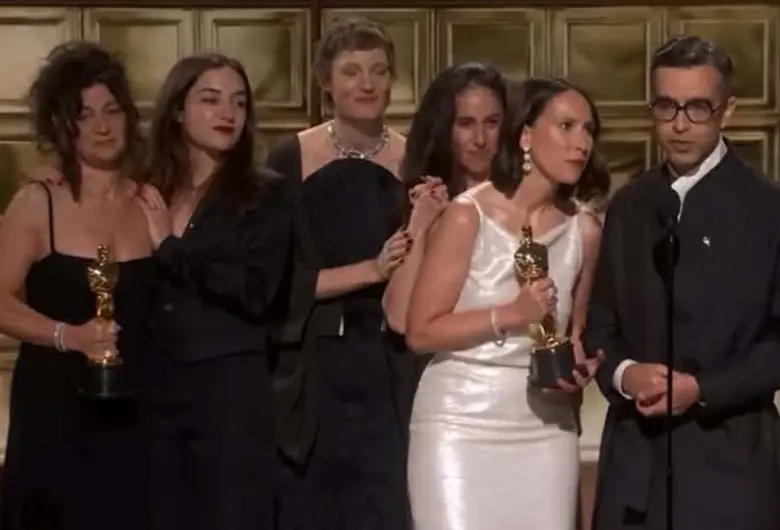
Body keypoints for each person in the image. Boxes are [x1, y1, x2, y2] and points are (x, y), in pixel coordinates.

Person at [585, 35, 780, 530]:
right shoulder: (629, 205)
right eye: (666, 106)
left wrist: (702, 389)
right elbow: (600, 326)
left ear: (727, 111)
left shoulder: (767, 208)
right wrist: (625, 374)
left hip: (733, 467)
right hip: (636, 469)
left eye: (697, 107)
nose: (679, 124)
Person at [405, 76, 609, 530]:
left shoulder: (585, 231)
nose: (581, 144)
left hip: (545, 428)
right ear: (525, 136)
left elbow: (572, 334)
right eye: (566, 126)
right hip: (458, 422)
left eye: (588, 130)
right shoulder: (468, 215)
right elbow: (421, 331)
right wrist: (510, 315)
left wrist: (577, 368)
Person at [266, 17, 414, 530]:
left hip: (391, 363)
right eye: (351, 71)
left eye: (378, 70)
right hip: (311, 363)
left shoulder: (415, 157)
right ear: (325, 81)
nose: (367, 84)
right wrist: (371, 269)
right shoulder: (288, 158)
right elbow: (274, 280)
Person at [0, 41, 153, 530]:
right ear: (62, 125)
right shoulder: (38, 202)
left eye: (112, 111)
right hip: (54, 416)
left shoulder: (150, 201)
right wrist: (69, 336)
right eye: (84, 115)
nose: (102, 127)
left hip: (138, 420)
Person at [138, 54, 295, 530]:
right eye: (211, 100)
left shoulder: (266, 195)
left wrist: (171, 248)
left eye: (239, 102)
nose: (228, 113)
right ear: (177, 109)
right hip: (150, 392)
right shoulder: (146, 188)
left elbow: (256, 290)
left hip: (230, 397)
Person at [383, 61, 508, 334]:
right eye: (465, 124)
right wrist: (420, 225)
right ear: (443, 129)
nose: (480, 139)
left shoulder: (524, 199)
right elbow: (400, 318)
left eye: (492, 123)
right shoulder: (426, 200)